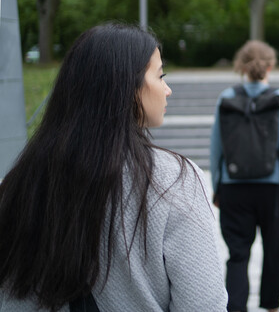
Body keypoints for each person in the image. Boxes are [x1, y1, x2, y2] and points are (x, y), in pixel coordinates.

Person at [0, 24, 227, 311]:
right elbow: (203, 304)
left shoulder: (21, 180)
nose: (167, 90)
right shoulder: (174, 179)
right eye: (160, 76)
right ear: (127, 87)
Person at [210, 40, 279, 312]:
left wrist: (217, 185)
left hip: (234, 186)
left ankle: (236, 307)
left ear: (240, 65)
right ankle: (271, 306)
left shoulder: (226, 97)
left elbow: (217, 147)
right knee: (274, 249)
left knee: (238, 255)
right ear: (270, 65)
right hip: (274, 188)